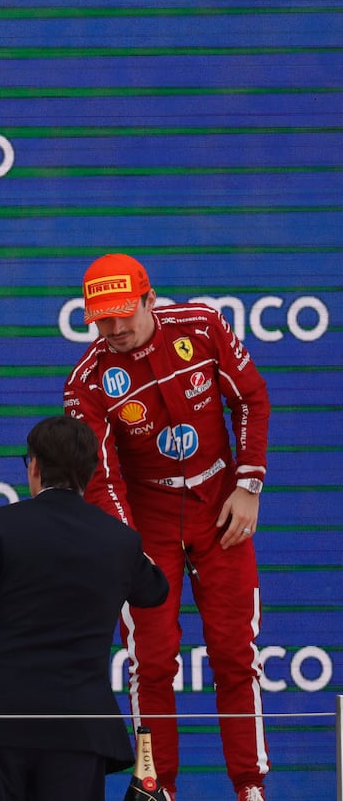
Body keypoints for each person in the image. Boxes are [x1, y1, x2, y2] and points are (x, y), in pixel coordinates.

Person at [64, 253, 271, 801]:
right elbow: (100, 479)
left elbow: (250, 397)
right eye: (101, 320)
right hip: (147, 524)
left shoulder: (201, 326)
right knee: (150, 662)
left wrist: (248, 486)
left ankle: (250, 787)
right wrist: (126, 546)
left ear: (150, 299)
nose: (114, 330)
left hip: (220, 509)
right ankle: (157, 787)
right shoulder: (85, 384)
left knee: (234, 653)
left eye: (124, 316)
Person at [0, 415, 169, 800]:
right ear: (90, 473)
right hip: (79, 732)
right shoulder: (119, 541)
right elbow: (154, 590)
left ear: (34, 466)